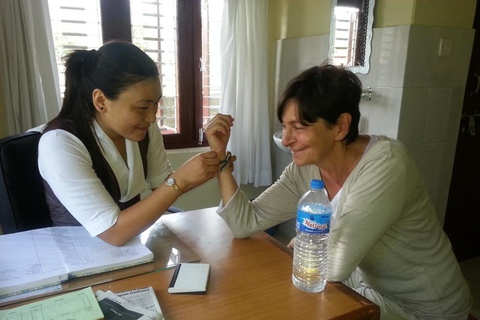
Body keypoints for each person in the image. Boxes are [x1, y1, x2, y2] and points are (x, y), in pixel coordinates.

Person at [203, 64, 472, 320]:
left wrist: (301, 244)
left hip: (425, 309)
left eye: (299, 127)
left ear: (341, 126)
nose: (285, 140)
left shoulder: (387, 164)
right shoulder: (306, 170)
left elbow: (333, 265)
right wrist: (220, 158)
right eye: (285, 127)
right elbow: (243, 223)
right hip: (364, 288)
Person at [38, 40, 220, 246]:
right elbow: (113, 233)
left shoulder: (144, 130)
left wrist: (209, 167)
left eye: (156, 104)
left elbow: (164, 186)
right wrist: (181, 179)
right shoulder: (60, 144)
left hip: (136, 244)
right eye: (142, 107)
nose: (152, 117)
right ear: (100, 101)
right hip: (82, 255)